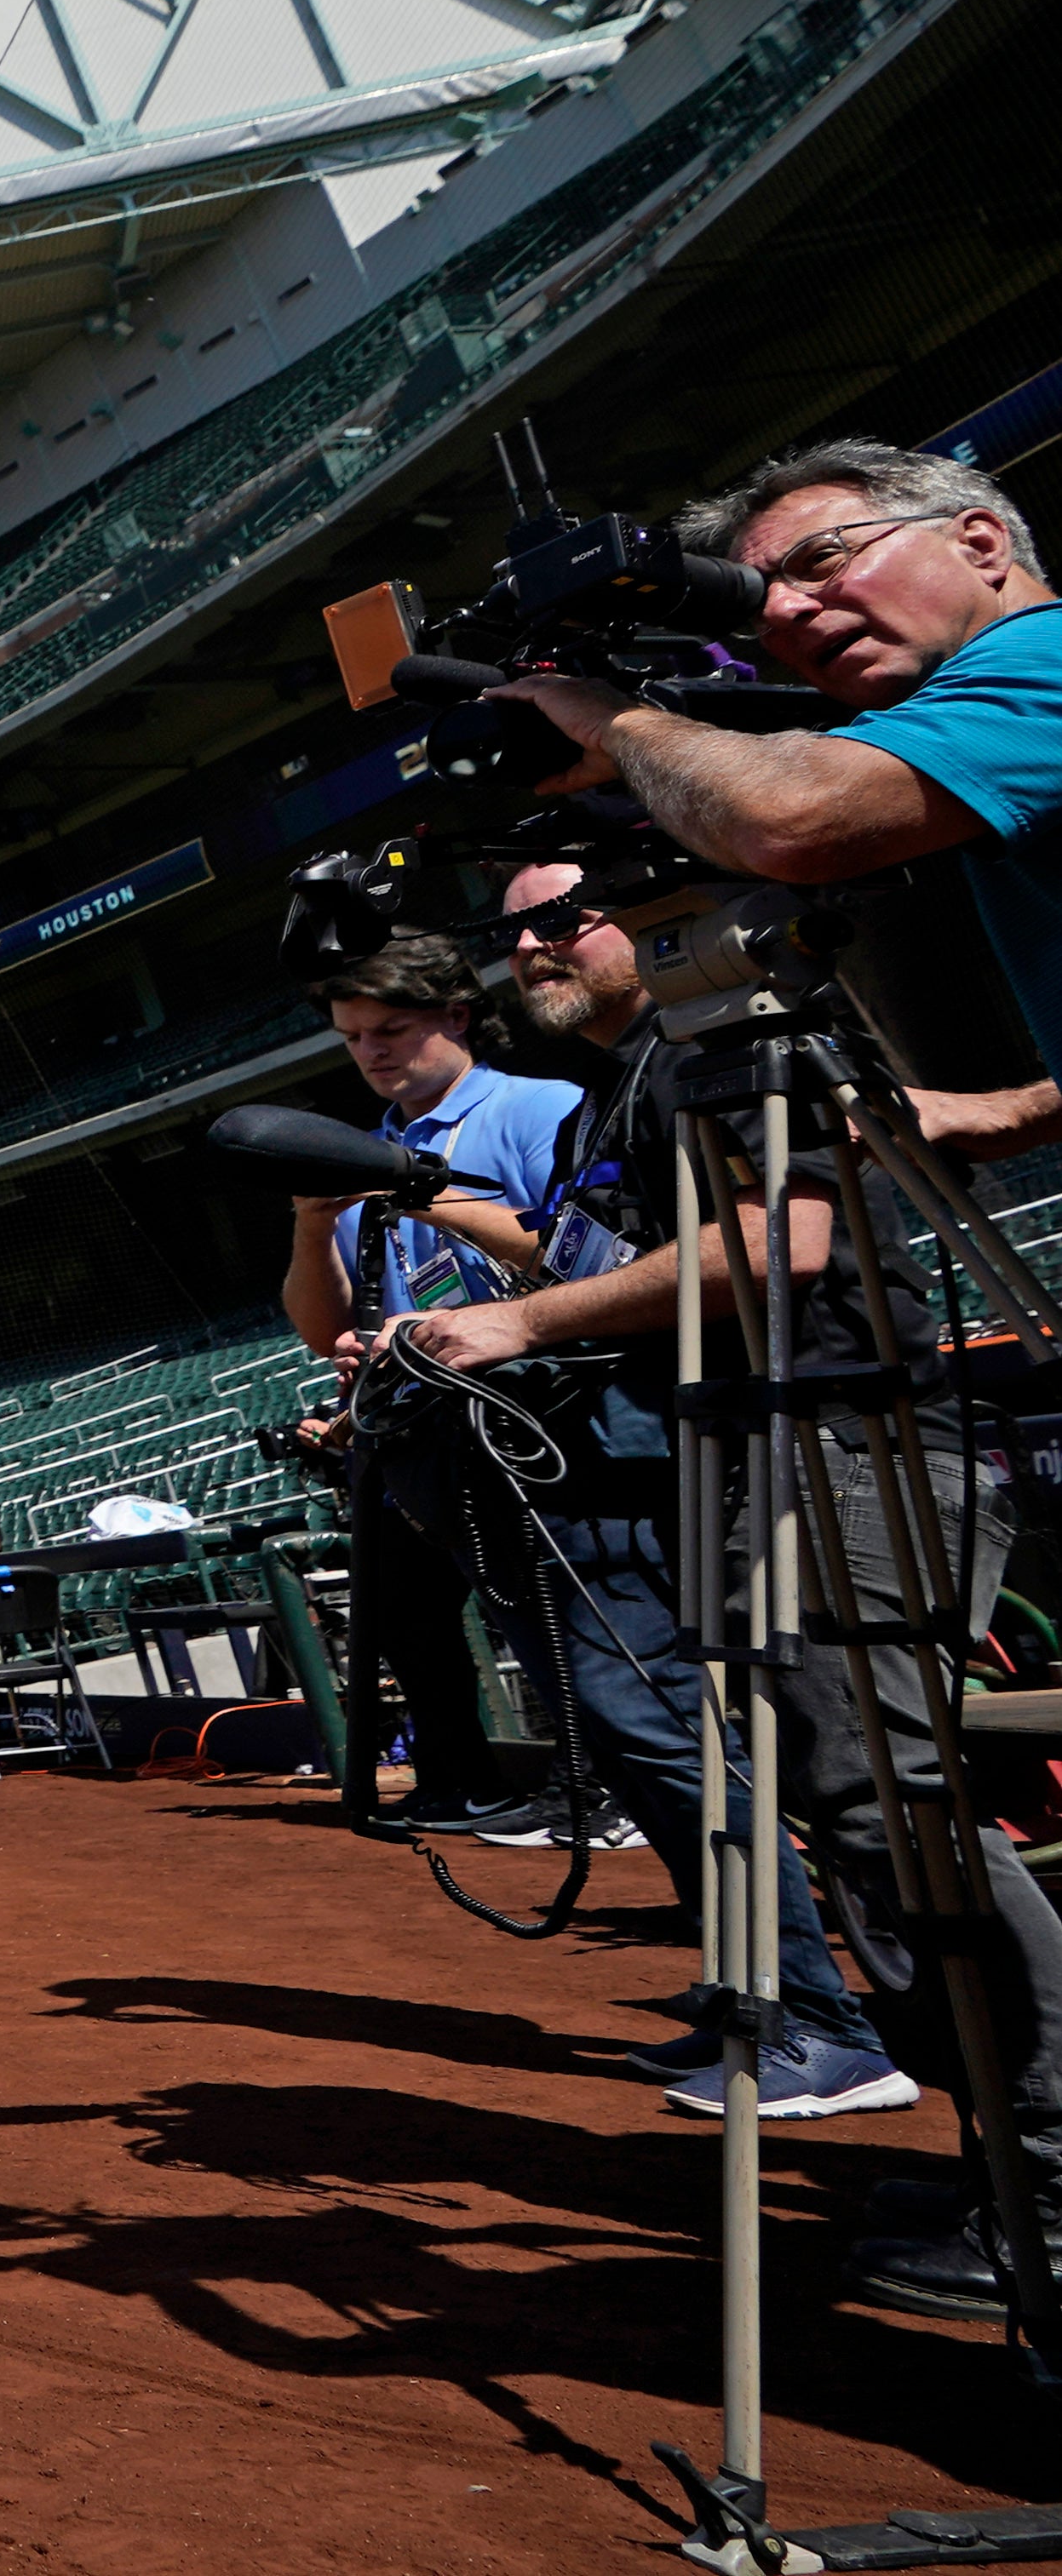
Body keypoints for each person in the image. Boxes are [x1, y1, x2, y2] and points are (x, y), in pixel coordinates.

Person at [397, 866, 1062, 2214]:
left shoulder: (717, 1041)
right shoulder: (633, 1079)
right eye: (509, 923)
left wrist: (524, 1320)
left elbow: (778, 1240)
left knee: (890, 1809)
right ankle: (1007, 2160)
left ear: (674, 914)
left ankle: (1045, 2164)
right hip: (752, 1449)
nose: (528, 943)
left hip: (837, 1435)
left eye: (565, 913)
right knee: (847, 1808)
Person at [488, 438, 1062, 1158]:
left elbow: (793, 821)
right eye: (755, 604)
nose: (784, 611)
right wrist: (1020, 1113)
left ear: (978, 544)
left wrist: (614, 723)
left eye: (819, 560)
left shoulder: (1044, 657)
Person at [276, 933, 583, 1826]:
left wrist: (415, 1189)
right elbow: (318, 1329)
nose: (371, 1050)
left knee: (546, 1614)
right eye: (351, 1036)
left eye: (391, 1028)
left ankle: (591, 1789)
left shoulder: (541, 1108)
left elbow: (575, 1257)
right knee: (403, 1614)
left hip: (535, 1413)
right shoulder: (360, 1147)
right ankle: (461, 1781)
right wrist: (308, 1224)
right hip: (412, 1430)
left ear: (456, 1014)